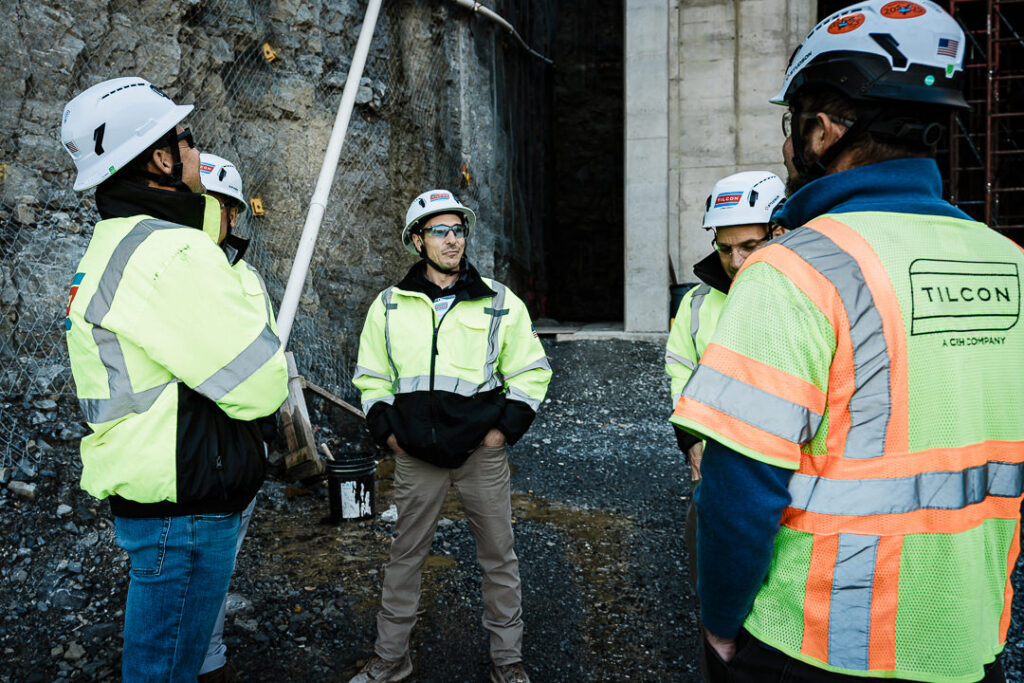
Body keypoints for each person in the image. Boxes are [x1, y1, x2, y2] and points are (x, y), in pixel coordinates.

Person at [671, 2, 1024, 681]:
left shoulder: (796, 270)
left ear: (825, 131)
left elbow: (738, 492)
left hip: (816, 645)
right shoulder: (1007, 263)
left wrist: (719, 626)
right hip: (966, 636)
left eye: (793, 126)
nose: (788, 146)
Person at [61, 77, 288, 682]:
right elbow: (264, 381)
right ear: (161, 158)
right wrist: (222, 255)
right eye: (187, 141)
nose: (195, 153)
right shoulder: (172, 254)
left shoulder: (115, 242)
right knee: (164, 672)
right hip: (185, 505)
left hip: (158, 495)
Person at [350, 189, 552, 683]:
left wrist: (500, 434)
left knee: (498, 557)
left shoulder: (499, 301)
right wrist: (390, 437)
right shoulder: (389, 305)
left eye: (458, 230)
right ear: (417, 241)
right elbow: (371, 377)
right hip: (415, 455)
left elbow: (531, 371)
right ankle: (391, 661)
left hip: (480, 455)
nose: (452, 240)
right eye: (440, 231)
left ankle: (507, 661)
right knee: (405, 558)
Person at [664, 170, 785, 589]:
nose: (736, 262)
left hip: (786, 473)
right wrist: (691, 440)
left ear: (780, 231)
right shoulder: (696, 304)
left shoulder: (807, 299)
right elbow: (681, 372)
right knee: (713, 581)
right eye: (725, 248)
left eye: (751, 246)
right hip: (715, 468)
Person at [195, 152, 263, 683]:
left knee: (216, 572)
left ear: (233, 217)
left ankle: (209, 657)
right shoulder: (158, 267)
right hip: (179, 454)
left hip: (234, 450)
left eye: (218, 206)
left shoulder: (247, 281)